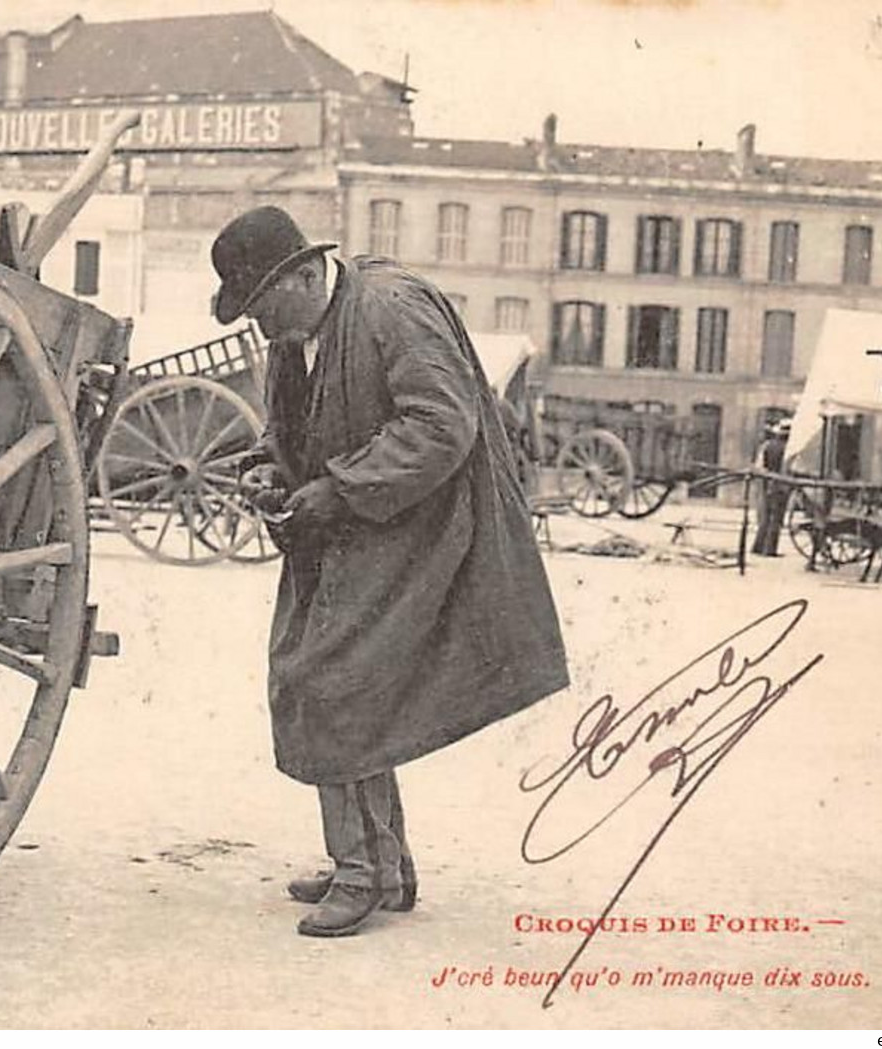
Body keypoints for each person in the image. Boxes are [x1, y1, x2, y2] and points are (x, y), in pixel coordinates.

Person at [209, 205, 570, 938]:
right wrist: (264, 466)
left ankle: (362, 871)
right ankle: (381, 860)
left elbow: (441, 424)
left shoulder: (389, 306)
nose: (257, 327)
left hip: (422, 522)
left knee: (332, 675)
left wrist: (338, 488)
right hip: (350, 521)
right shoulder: (295, 331)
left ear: (305, 275)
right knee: (324, 676)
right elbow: (289, 425)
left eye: (260, 307)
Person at [751, 419, 791, 557]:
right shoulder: (788, 449)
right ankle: (770, 549)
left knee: (765, 516)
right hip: (780, 485)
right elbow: (788, 469)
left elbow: (759, 465)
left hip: (766, 482)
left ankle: (758, 546)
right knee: (776, 517)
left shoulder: (767, 446)